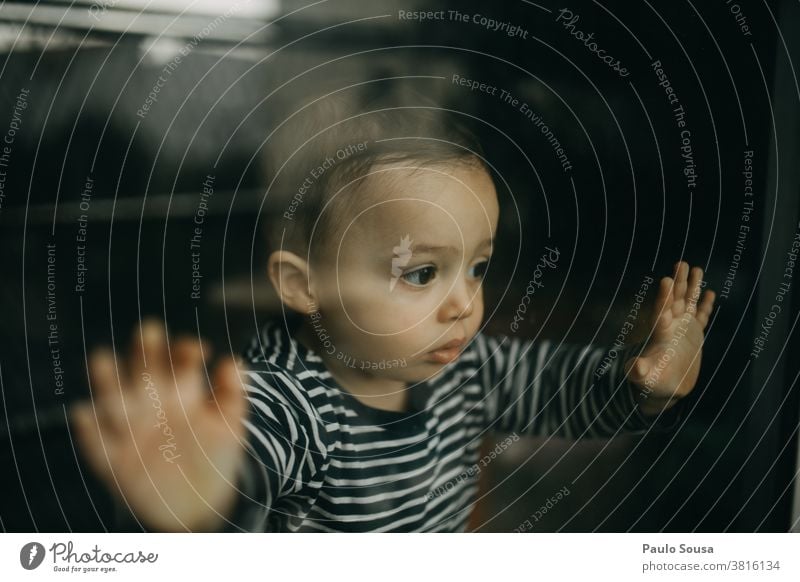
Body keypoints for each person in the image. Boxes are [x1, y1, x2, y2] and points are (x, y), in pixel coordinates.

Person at [70, 92, 716, 532]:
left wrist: (640, 385)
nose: (464, 302)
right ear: (302, 286)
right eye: (422, 273)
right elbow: (247, 456)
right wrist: (202, 496)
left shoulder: (467, 368)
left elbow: (566, 392)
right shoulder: (292, 403)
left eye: (479, 267)